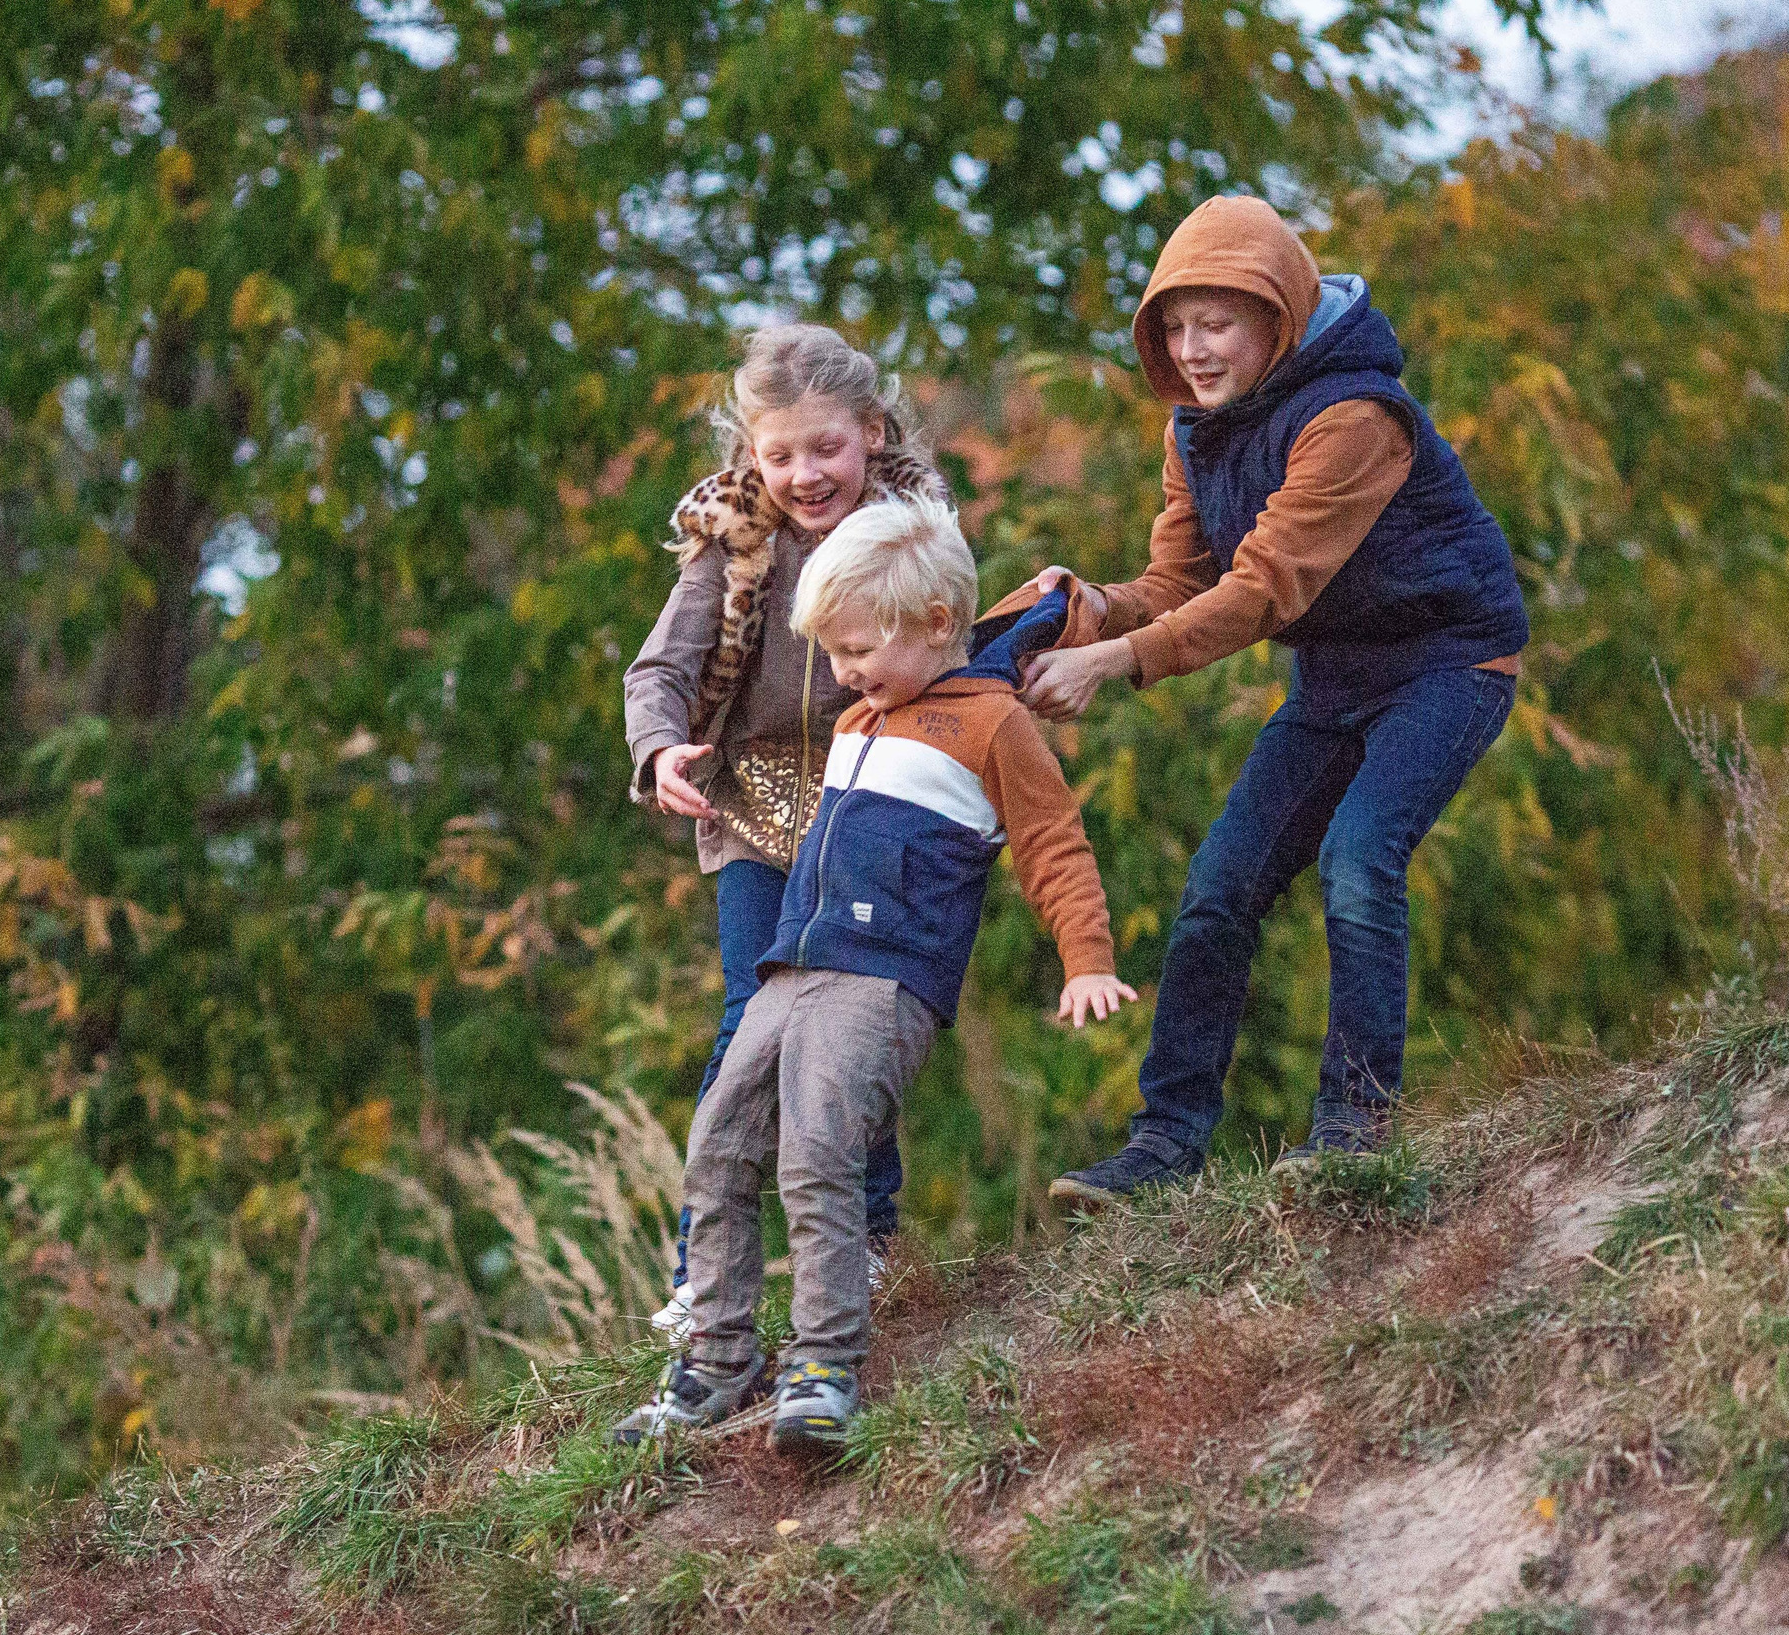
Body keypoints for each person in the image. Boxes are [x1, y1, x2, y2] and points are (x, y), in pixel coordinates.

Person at [1014, 194, 1528, 1206]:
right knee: (1219, 885)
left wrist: (1113, 662)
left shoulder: (1357, 418)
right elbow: (1178, 581)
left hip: (1447, 664)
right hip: (1333, 676)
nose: (1192, 350)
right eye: (1175, 327)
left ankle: (1355, 1130)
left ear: (1277, 316)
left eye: (1216, 324)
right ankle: (1164, 1148)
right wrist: (1088, 608)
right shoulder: (1195, 430)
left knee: (1359, 861)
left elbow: (1260, 591)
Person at [612, 495, 1136, 1452]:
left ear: (935, 624)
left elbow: (1054, 843)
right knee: (718, 1146)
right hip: (793, 967)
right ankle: (719, 1357)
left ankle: (824, 1364)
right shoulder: (862, 717)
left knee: (818, 1155)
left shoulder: (991, 724)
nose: (843, 671)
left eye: (856, 649)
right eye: (833, 651)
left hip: (883, 983)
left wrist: (1086, 959)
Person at [624, 325, 947, 1337]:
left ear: (872, 433)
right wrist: (659, 748)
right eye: (780, 454)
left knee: (848, 1027)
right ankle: (703, 1269)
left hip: (866, 806)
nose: (805, 474)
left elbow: (953, 651)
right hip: (754, 813)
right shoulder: (734, 550)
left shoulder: (911, 542)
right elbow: (660, 669)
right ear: (750, 456)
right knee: (749, 1023)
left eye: (827, 448)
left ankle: (868, 1238)